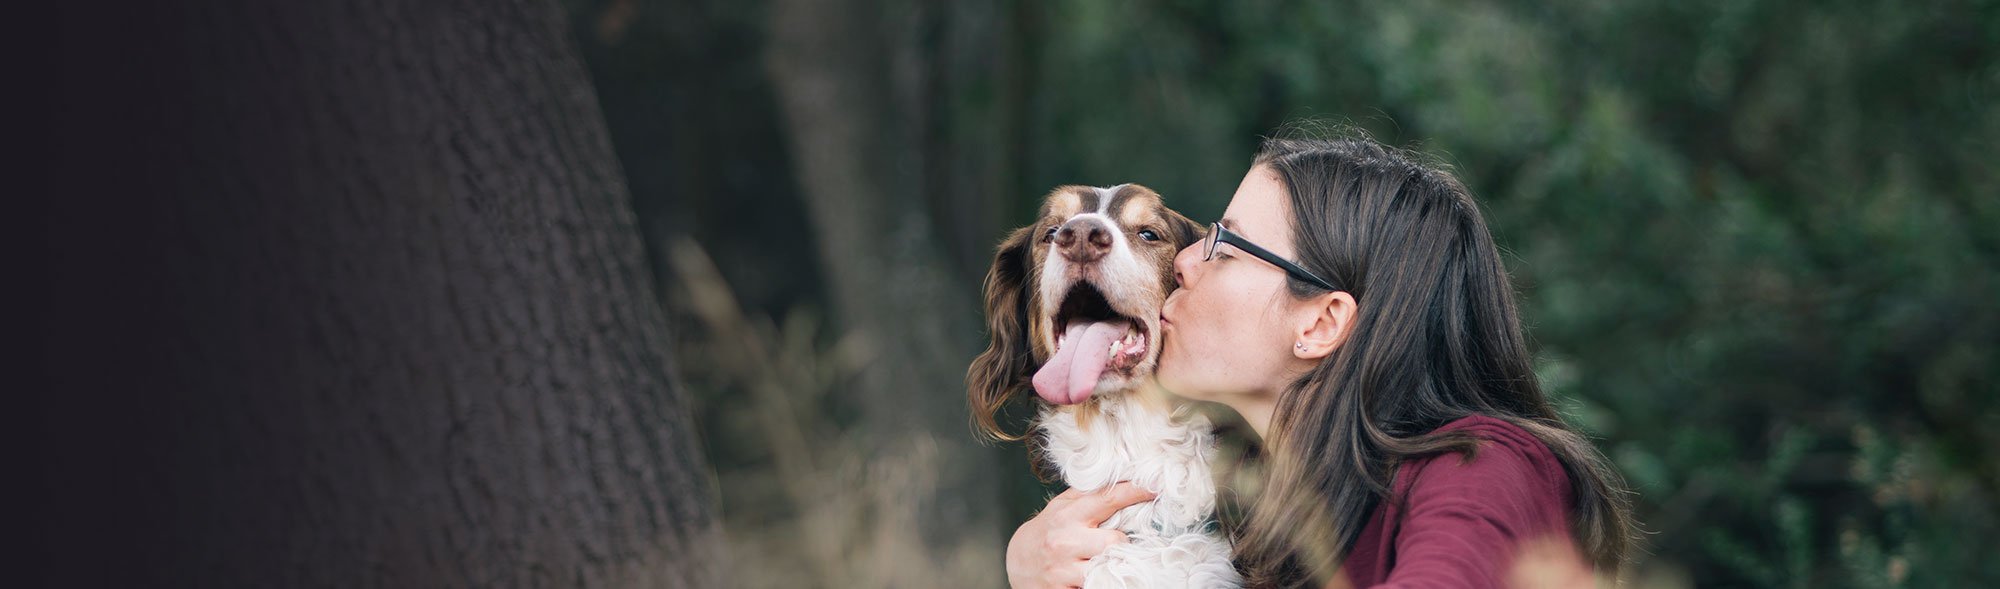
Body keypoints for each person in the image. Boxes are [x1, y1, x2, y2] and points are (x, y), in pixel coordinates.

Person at [1005, 131, 1638, 588]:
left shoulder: (1484, 467)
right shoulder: (1266, 525)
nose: (1184, 263)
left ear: (1321, 321)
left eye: (1225, 247)